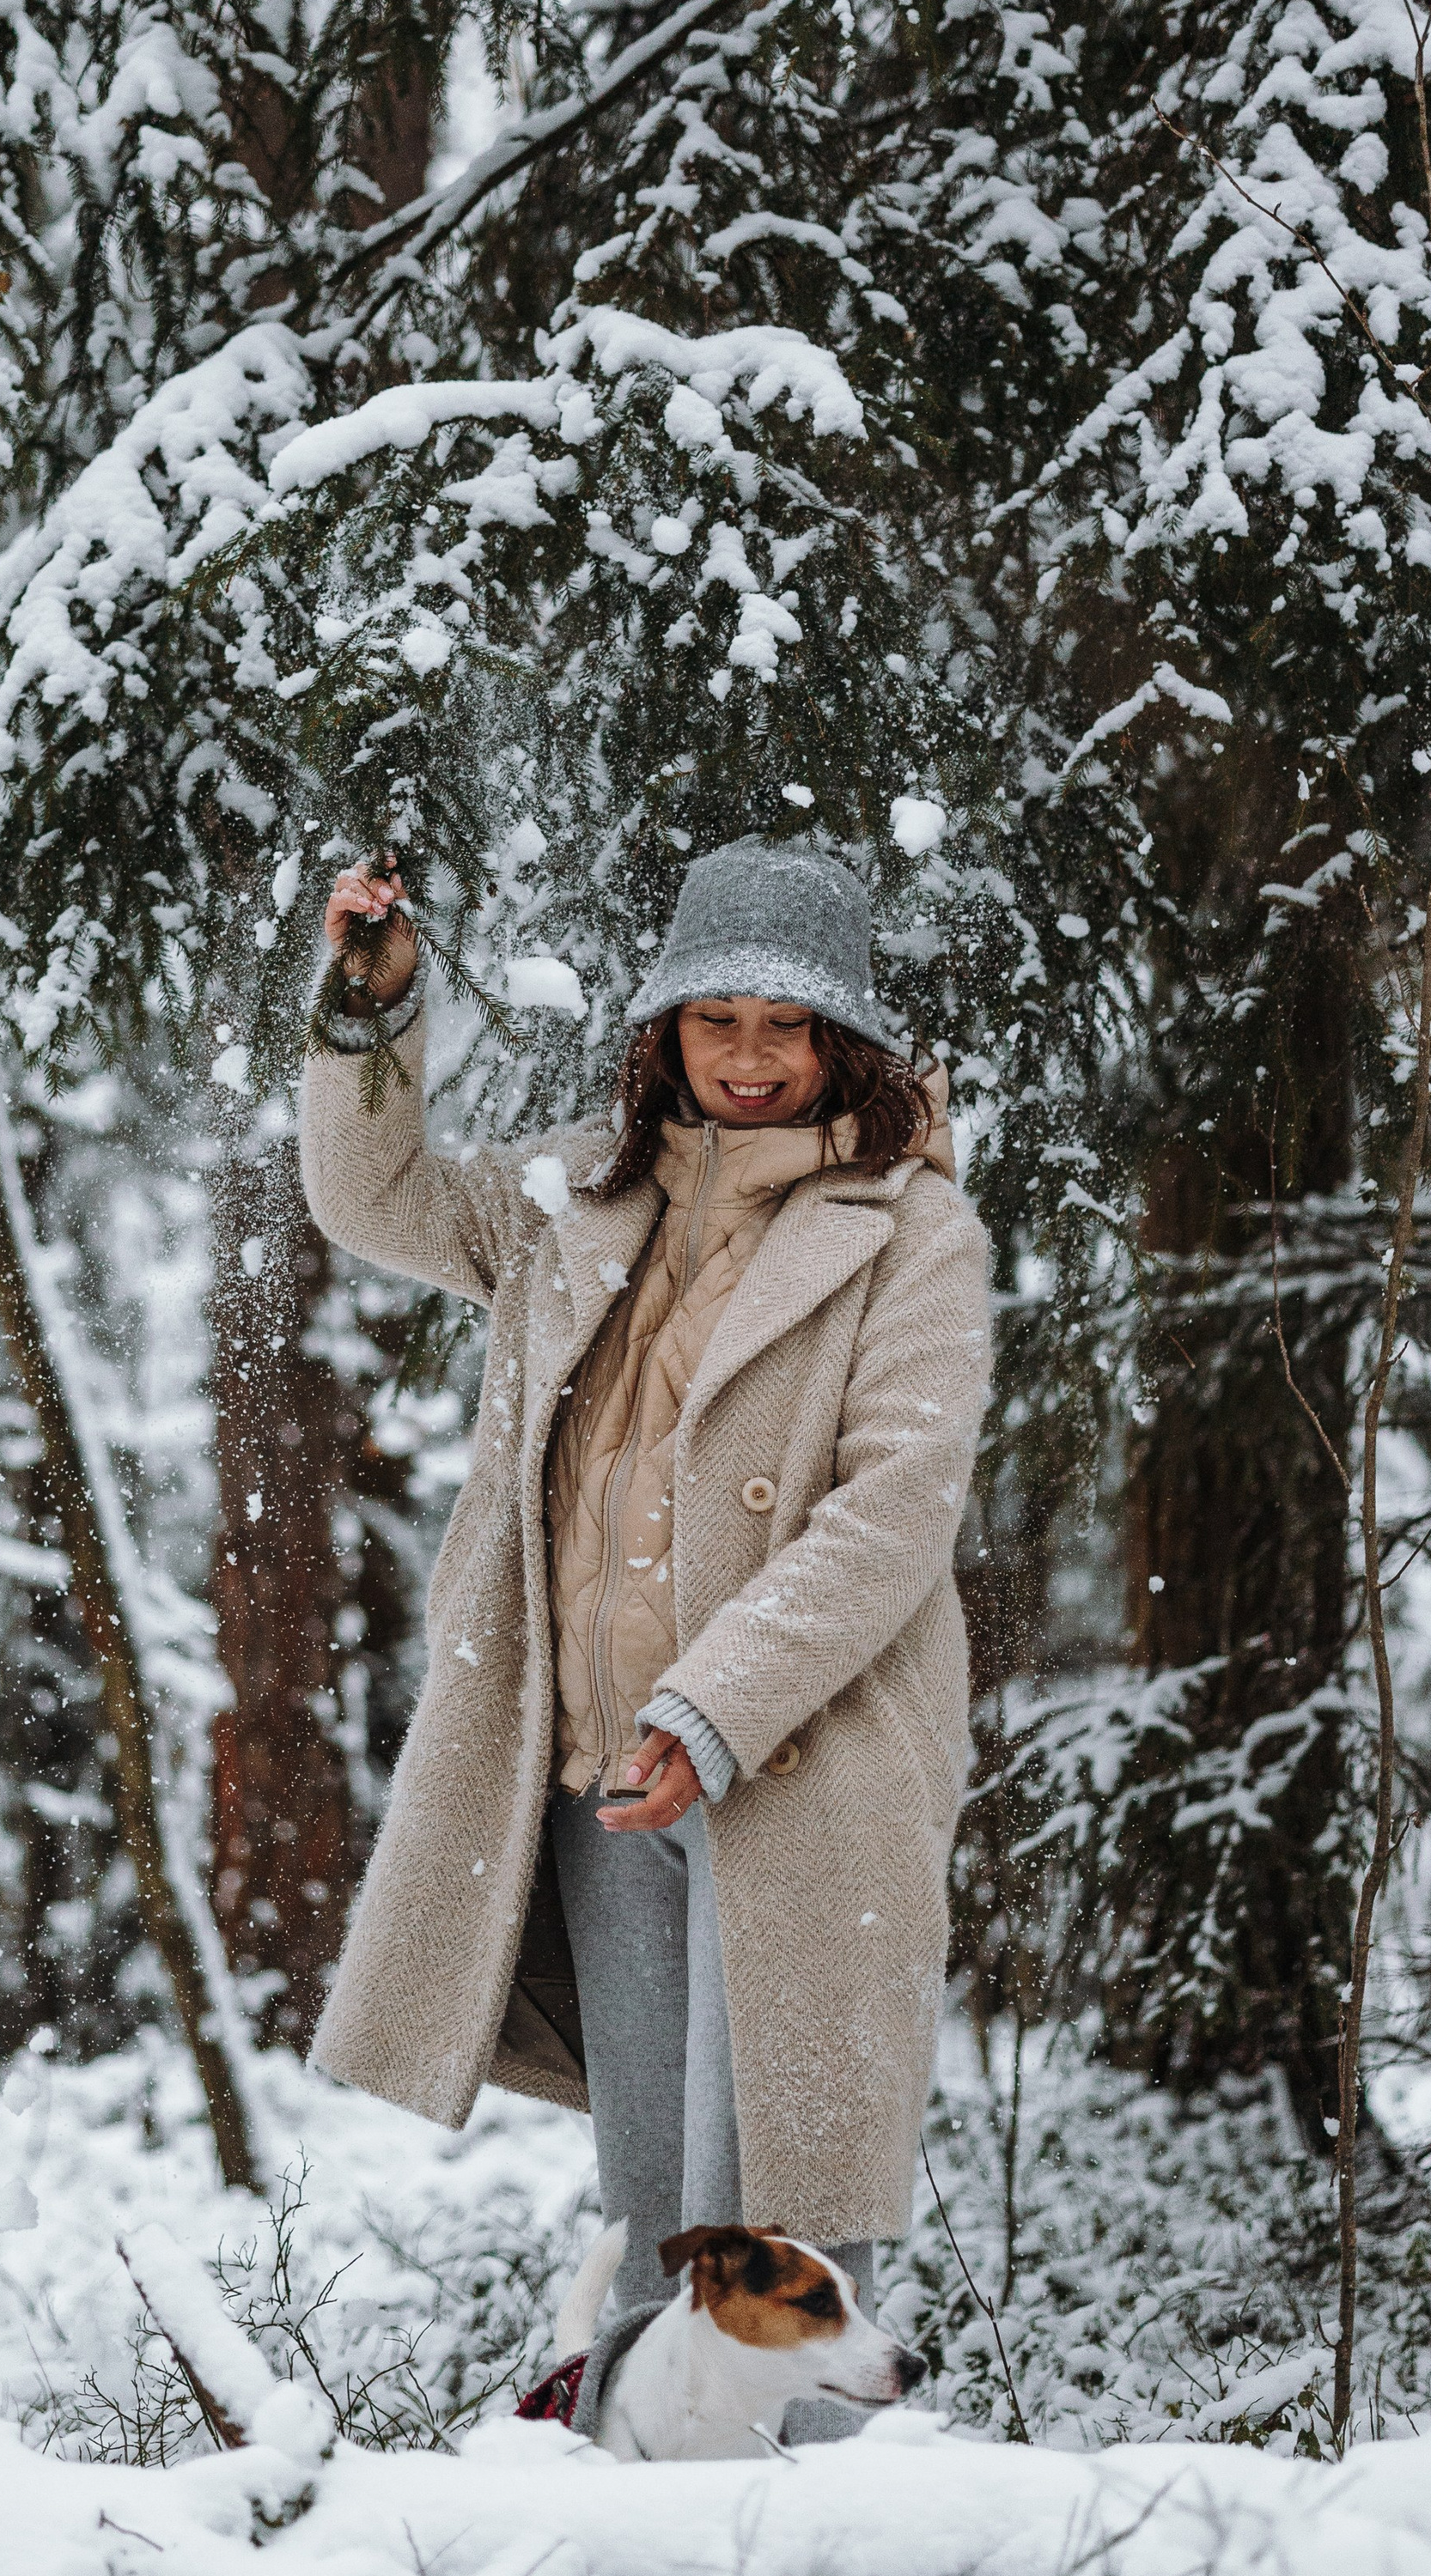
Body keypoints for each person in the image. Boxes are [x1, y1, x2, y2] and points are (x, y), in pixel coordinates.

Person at [299, 837, 992, 2371]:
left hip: (793, 1778)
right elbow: (378, 1197)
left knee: (785, 2230)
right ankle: (641, 2557)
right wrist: (372, 1012)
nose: (751, 1059)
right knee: (654, 2221)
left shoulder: (909, 1233)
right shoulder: (572, 1204)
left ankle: (808, 2566)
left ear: (844, 1042)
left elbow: (892, 1513)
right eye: (717, 1020)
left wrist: (712, 1708)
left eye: (788, 1026)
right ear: (666, 1033)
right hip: (602, 1779)